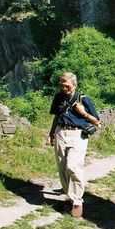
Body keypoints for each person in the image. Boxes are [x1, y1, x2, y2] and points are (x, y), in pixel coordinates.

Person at [47, 72, 100, 219]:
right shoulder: (58, 97)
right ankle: (70, 197)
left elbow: (96, 121)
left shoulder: (84, 99)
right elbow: (56, 116)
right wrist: (51, 134)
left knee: (73, 166)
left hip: (78, 135)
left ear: (75, 85)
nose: (65, 89)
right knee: (62, 167)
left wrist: (83, 113)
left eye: (68, 86)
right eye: (62, 86)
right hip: (60, 133)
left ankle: (77, 201)